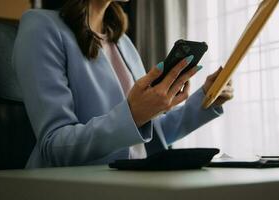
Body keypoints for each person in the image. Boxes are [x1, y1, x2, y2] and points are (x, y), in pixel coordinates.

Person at [13, 0, 234, 168]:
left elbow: (149, 136)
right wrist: (133, 114)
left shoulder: (122, 42)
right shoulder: (40, 27)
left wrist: (206, 98)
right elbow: (54, 146)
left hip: (134, 184)